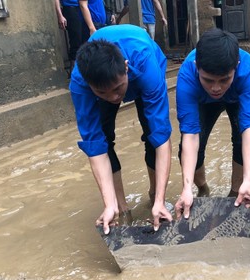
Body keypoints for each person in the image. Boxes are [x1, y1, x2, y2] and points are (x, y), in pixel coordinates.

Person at [69, 25, 173, 233]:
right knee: (105, 139)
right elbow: (95, 146)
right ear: (89, 86)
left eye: (117, 90)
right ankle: (120, 208)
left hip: (143, 72)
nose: (114, 98)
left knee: (152, 133)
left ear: (126, 67)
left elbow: (162, 137)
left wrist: (161, 199)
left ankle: (155, 197)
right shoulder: (80, 84)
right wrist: (109, 205)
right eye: (103, 92)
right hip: (107, 82)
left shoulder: (144, 63)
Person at [175, 28, 250, 220]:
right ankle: (202, 189)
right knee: (193, 149)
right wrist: (186, 188)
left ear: (236, 66)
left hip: (236, 97)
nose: (216, 87)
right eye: (208, 80)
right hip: (203, 101)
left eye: (224, 79)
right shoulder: (187, 75)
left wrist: (249, 180)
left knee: (240, 143)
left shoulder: (248, 71)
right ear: (197, 67)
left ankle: (236, 193)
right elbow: (190, 134)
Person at [54, 0, 85, 70]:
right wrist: (60, 16)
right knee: (76, 39)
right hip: (70, 8)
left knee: (84, 39)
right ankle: (74, 69)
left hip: (83, 8)